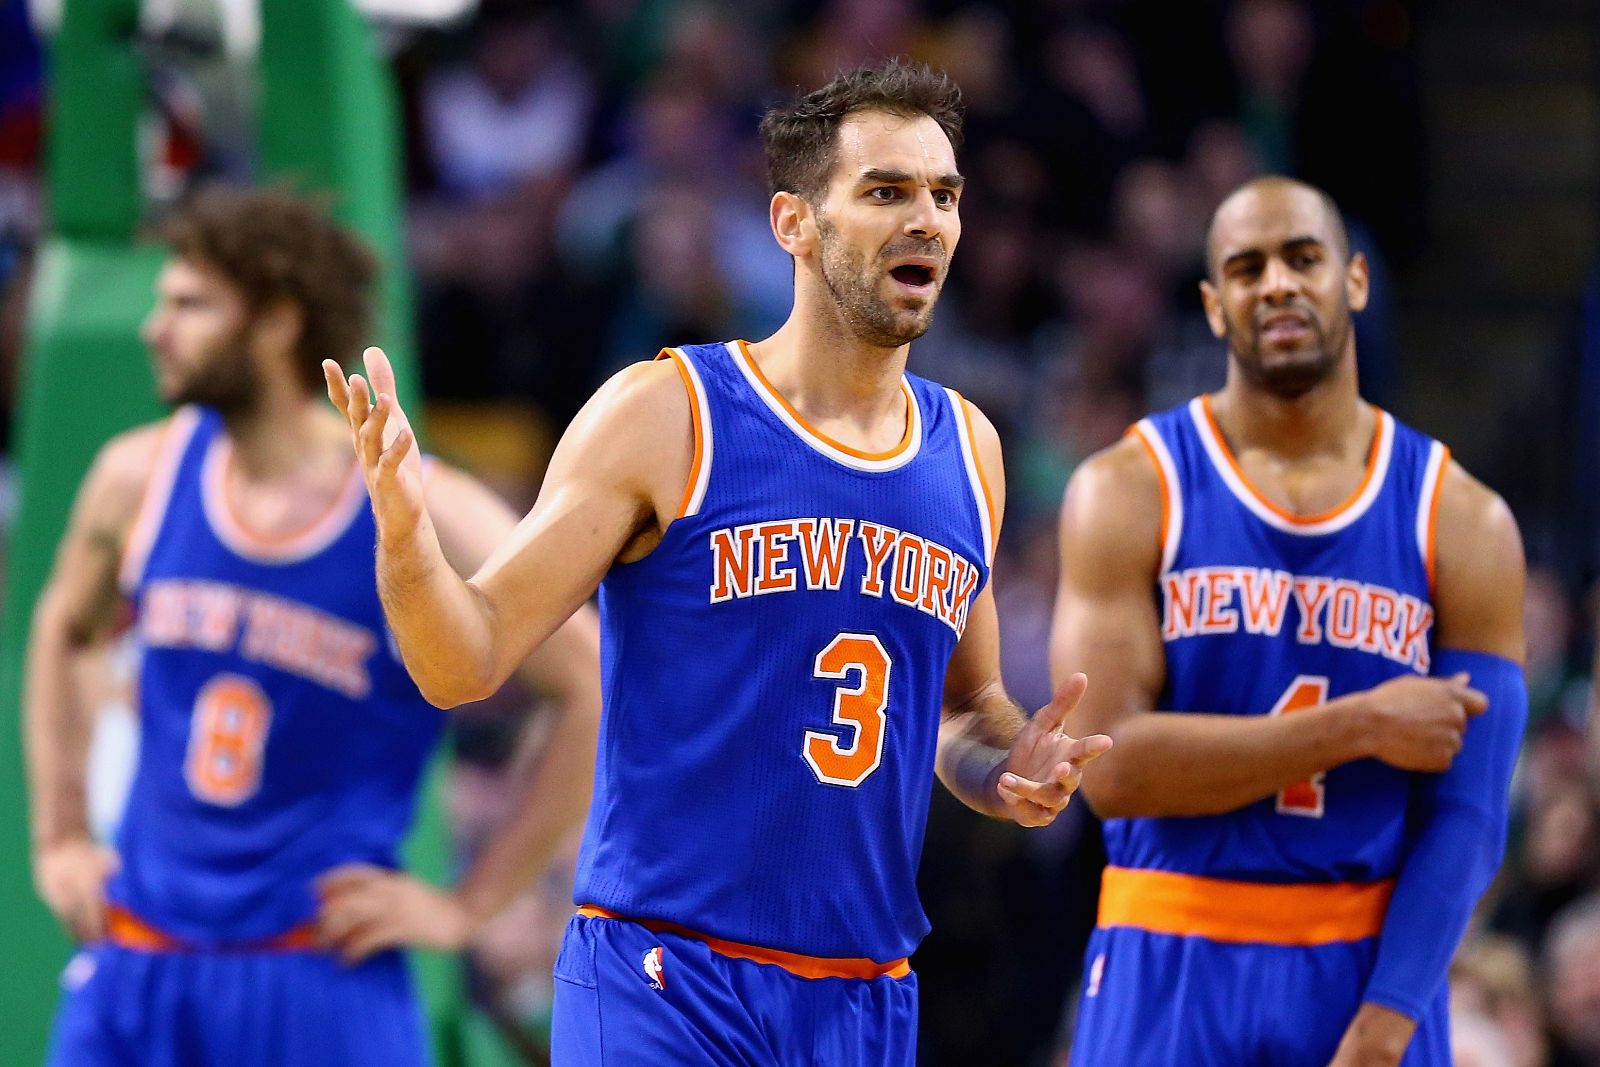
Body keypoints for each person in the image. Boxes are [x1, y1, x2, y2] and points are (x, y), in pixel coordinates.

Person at [326, 59, 1111, 1065]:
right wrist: (403, 537)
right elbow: (461, 659)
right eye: (886, 191)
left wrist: (1008, 764)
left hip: (859, 993)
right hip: (664, 973)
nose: (927, 220)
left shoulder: (968, 448)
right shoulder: (667, 414)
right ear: (791, 222)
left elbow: (962, 706)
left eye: (944, 195)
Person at [25, 186, 603, 1067]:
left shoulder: (420, 504)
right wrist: (61, 832)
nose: (155, 328)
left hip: (318, 967)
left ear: (276, 323)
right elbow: (63, 626)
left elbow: (593, 675)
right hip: (140, 949)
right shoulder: (137, 474)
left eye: (189, 305)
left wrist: (468, 904)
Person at [1051, 176, 1527, 1067]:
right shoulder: (1128, 487)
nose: (1276, 283)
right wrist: (1358, 725)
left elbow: (1471, 815)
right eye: (1246, 266)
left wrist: (1389, 1021)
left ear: (1353, 281)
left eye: (1302, 258)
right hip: (1170, 942)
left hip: (1365, 967)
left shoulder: (1463, 519)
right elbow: (1109, 766)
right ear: (1213, 304)